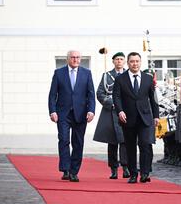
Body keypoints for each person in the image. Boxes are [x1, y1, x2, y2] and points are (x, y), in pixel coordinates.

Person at [48, 50, 95, 182]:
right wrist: (52, 111)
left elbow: (91, 94)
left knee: (78, 143)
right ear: (67, 59)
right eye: (73, 57)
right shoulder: (59, 73)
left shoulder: (87, 73)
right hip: (63, 113)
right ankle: (66, 169)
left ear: (80, 59)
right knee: (63, 140)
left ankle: (74, 171)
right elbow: (52, 95)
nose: (75, 59)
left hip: (81, 114)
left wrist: (91, 111)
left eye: (78, 57)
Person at [113, 52, 159, 184]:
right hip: (128, 118)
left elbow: (153, 99)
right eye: (132, 61)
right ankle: (133, 174)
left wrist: (156, 116)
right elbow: (116, 97)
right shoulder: (120, 79)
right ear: (128, 63)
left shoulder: (148, 79)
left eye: (137, 61)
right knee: (130, 147)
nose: (135, 64)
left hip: (145, 118)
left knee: (145, 144)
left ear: (140, 62)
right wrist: (120, 111)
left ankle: (145, 173)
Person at [93, 52, 130, 180]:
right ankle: (113, 169)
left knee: (125, 141)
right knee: (112, 142)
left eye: (121, 59)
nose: (119, 61)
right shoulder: (106, 76)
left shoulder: (129, 75)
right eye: (117, 59)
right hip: (110, 112)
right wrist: (112, 103)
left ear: (124, 61)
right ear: (113, 61)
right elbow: (100, 93)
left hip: (126, 112)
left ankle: (126, 168)